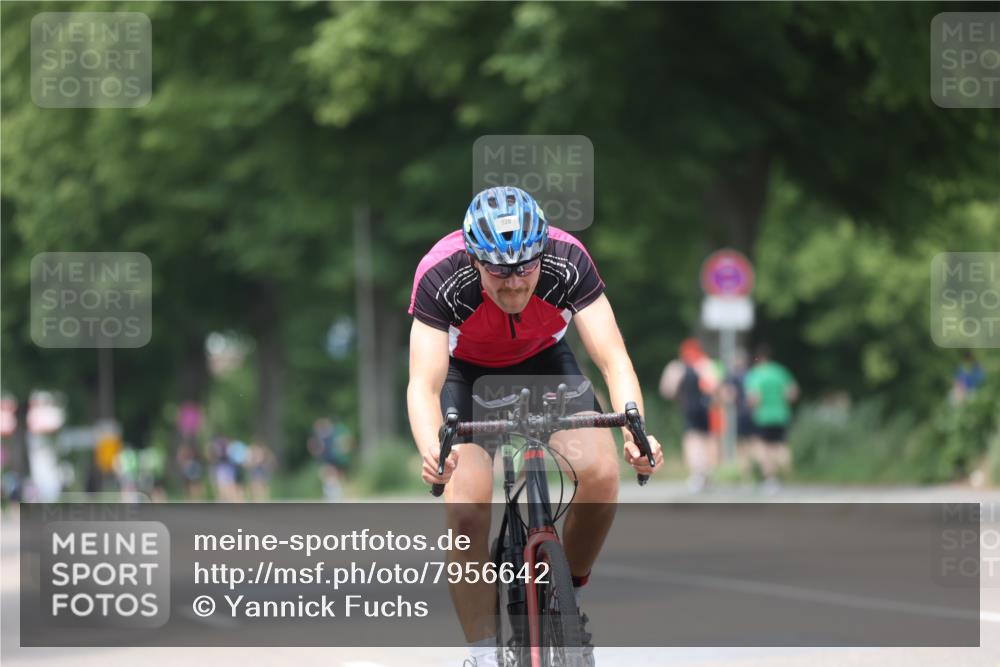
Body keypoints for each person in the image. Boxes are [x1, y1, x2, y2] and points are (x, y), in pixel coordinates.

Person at [407, 186, 663, 667]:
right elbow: (423, 384)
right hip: (468, 377)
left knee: (602, 475)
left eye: (525, 268)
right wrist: (433, 451)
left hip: (546, 363)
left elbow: (613, 358)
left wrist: (636, 431)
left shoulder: (568, 259)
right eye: (498, 272)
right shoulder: (441, 273)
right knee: (467, 510)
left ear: (542, 252)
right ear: (474, 260)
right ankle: (482, 655)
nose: (514, 284)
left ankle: (570, 595)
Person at [659, 338, 721, 493]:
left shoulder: (677, 367)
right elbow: (715, 386)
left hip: (689, 408)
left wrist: (679, 397)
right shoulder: (706, 364)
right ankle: (707, 473)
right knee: (708, 441)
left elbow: (667, 390)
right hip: (706, 408)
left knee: (692, 441)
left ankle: (697, 474)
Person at [744, 344, 799, 493]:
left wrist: (751, 408)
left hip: (763, 415)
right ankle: (790, 474)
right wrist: (781, 402)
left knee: (764, 447)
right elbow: (792, 393)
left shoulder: (756, 374)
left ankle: (770, 478)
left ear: (758, 359)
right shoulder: (780, 371)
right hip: (781, 414)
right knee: (781, 445)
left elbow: (754, 397)